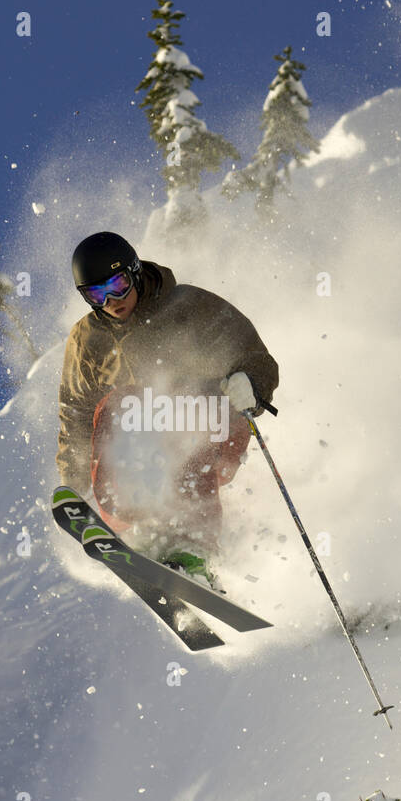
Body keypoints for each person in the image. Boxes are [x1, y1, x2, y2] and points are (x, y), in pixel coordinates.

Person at [56, 232, 278, 586]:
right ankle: (143, 536)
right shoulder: (88, 339)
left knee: (175, 406)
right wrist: (75, 481)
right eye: (97, 294)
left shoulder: (188, 306)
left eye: (118, 283)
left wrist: (251, 383)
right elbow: (76, 411)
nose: (112, 300)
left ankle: (191, 549)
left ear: (135, 272)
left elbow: (254, 355)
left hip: (211, 433)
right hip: (139, 455)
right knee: (120, 408)